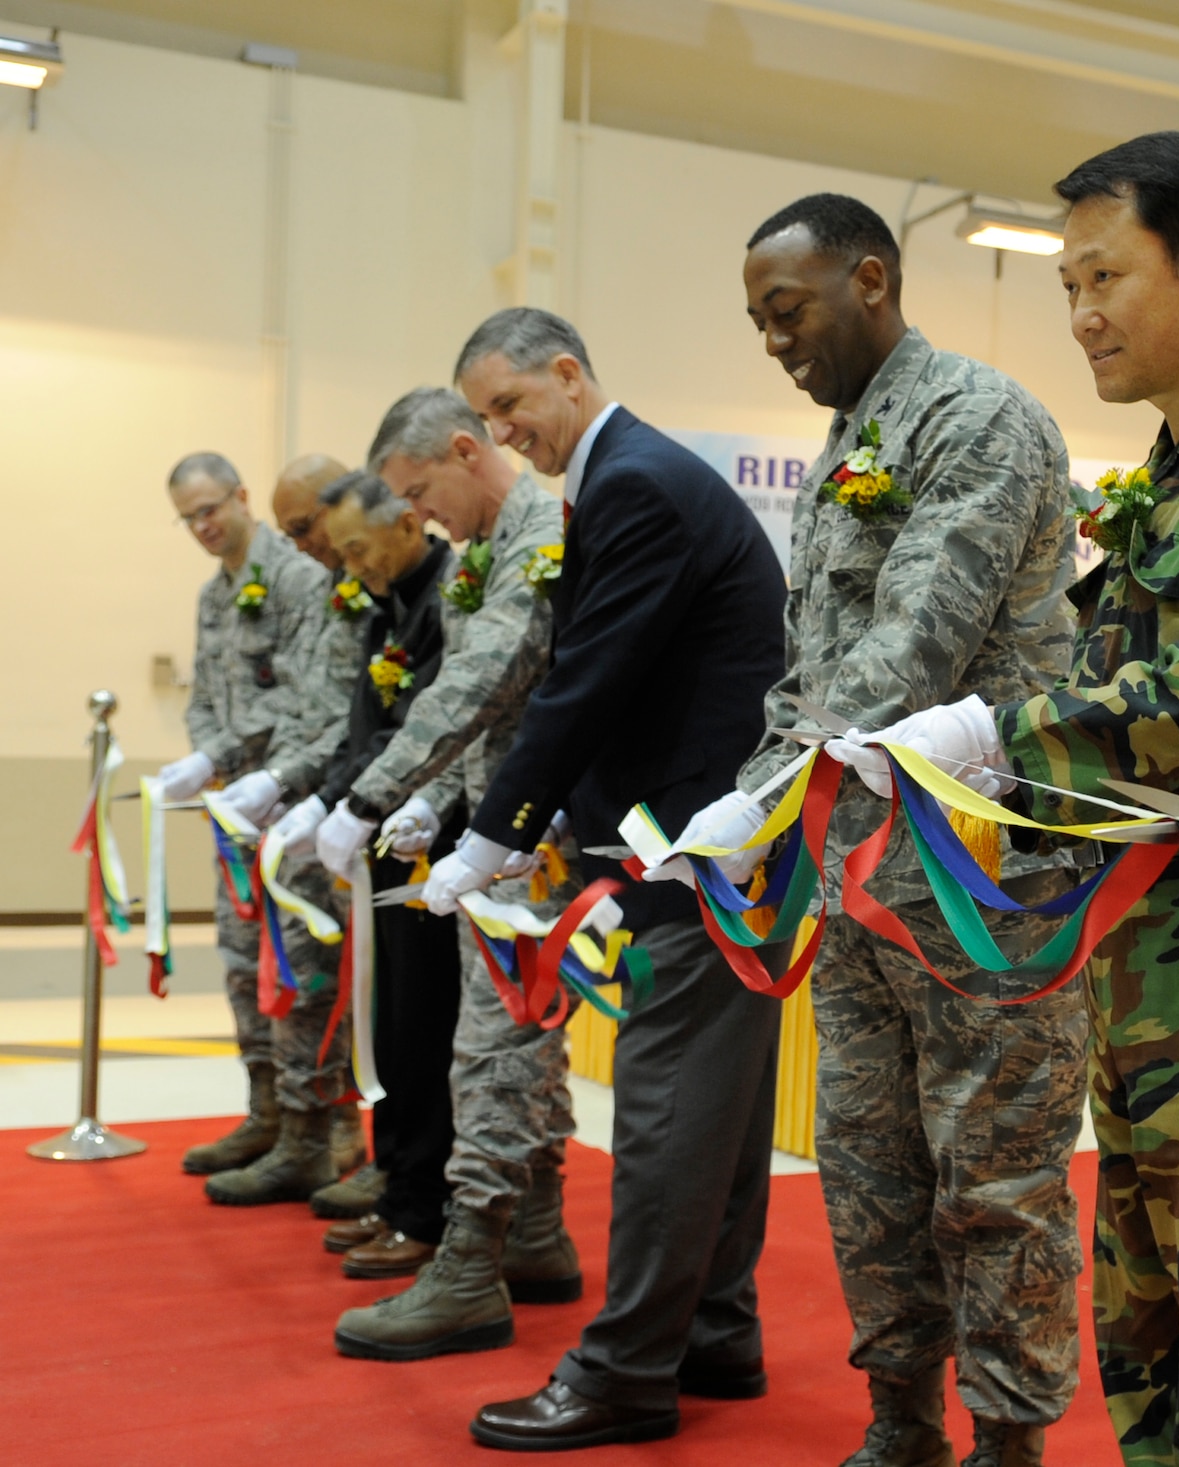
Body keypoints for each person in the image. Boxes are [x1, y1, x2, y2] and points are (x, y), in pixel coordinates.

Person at [826, 132, 1179, 1467]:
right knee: (1149, 1344)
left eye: (1105, 276)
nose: (1081, 313)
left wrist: (991, 727)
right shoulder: (1174, 471)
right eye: (1066, 284)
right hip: (1138, 968)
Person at [668, 192, 1086, 1467]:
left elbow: (916, 644)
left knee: (995, 1179)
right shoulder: (853, 438)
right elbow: (810, 670)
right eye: (756, 324)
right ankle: (897, 1425)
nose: (774, 343)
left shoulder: (976, 419)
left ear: (868, 278)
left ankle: (1008, 1443)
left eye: (785, 312)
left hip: (981, 882)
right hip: (854, 880)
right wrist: (751, 800)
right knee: (867, 1165)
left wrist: (768, 791)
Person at [413, 308, 787, 1453]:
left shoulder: (635, 480)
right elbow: (630, 684)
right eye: (484, 417)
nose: (501, 431)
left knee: (670, 1102)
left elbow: (586, 679)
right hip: (706, 837)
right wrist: (556, 828)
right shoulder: (624, 474)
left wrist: (492, 831)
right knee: (717, 1103)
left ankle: (627, 1368)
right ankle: (715, 1329)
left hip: (699, 844)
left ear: (567, 375)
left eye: (509, 406)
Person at [305, 387, 577, 1358]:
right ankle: (536, 1236)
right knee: (517, 1044)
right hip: (499, 820)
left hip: (536, 828)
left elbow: (486, 678)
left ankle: (472, 1262)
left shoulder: (539, 530)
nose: (417, 516)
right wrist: (432, 796)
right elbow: (486, 707)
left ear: (464, 453)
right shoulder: (483, 551)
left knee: (493, 1050)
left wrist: (373, 796)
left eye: (419, 492)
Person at [268, 471, 465, 1269]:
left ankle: (426, 1207)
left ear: (406, 522)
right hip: (381, 827)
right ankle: (397, 1189)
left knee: (422, 1029)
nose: (348, 565)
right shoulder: (384, 601)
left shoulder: (449, 594)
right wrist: (329, 800)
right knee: (385, 1024)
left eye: (355, 547)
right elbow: (364, 726)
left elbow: (434, 722)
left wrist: (361, 800)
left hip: (434, 839)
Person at [159, 452, 363, 1195]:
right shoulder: (216, 596)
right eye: (190, 517)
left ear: (243, 496)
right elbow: (203, 690)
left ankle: (327, 1123)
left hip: (292, 801)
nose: (204, 525)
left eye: (212, 507)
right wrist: (203, 751)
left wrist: (225, 750)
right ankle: (268, 1111)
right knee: (247, 963)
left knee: (303, 967)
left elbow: (308, 698)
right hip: (237, 809)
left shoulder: (300, 577)